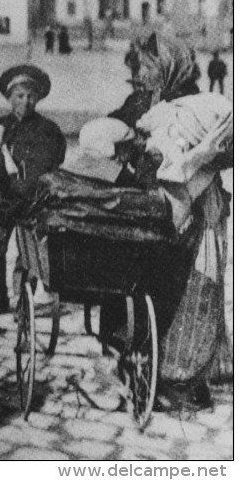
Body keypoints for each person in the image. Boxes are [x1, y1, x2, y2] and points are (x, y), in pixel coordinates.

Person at [107, 34, 232, 411]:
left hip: (194, 205)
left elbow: (219, 150)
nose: (140, 73)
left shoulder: (195, 104)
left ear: (167, 67)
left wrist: (193, 158)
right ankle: (150, 363)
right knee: (154, 283)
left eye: (147, 66)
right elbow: (121, 125)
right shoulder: (148, 102)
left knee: (195, 285)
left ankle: (187, 377)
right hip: (158, 203)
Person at [0, 65, 66, 313]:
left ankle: (25, 299)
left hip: (30, 202)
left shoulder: (47, 130)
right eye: (20, 96)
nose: (26, 101)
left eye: (31, 96)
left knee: (28, 253)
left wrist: (33, 184)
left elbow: (53, 162)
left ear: (38, 98)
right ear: (10, 98)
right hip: (0, 201)